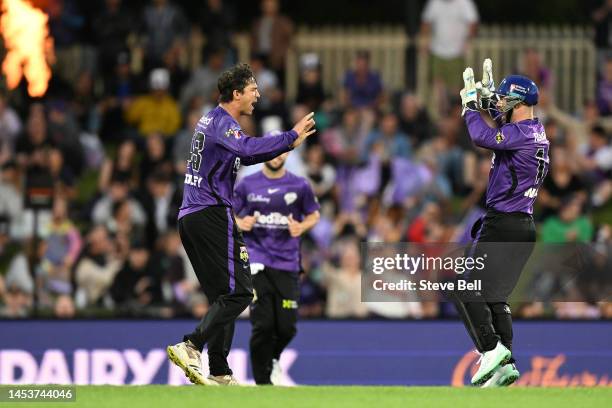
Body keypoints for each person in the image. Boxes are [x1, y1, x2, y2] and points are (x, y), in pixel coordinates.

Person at [166, 63, 316, 386]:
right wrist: (289, 139)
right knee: (242, 291)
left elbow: (242, 154)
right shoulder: (223, 123)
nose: (257, 96)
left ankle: (219, 371)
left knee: (224, 295)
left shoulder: (211, 120)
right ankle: (191, 345)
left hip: (190, 215)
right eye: (252, 90)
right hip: (211, 213)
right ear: (236, 94)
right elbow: (247, 150)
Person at [456, 59, 549, 387]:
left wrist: (470, 107)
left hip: (503, 222)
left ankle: (490, 349)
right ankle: (505, 363)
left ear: (520, 102)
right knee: (494, 296)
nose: (499, 102)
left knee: (466, 286)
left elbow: (484, 136)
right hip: (523, 226)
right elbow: (499, 123)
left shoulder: (519, 133)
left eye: (505, 98)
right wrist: (485, 100)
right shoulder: (533, 131)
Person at [233, 151, 320, 385]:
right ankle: (263, 383)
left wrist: (301, 226)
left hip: (288, 263)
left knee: (287, 327)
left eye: (282, 153)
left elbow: (314, 214)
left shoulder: (299, 184)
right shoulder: (247, 185)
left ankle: (273, 358)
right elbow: (227, 212)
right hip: (257, 262)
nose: (277, 157)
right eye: (274, 152)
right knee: (262, 325)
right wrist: (240, 222)